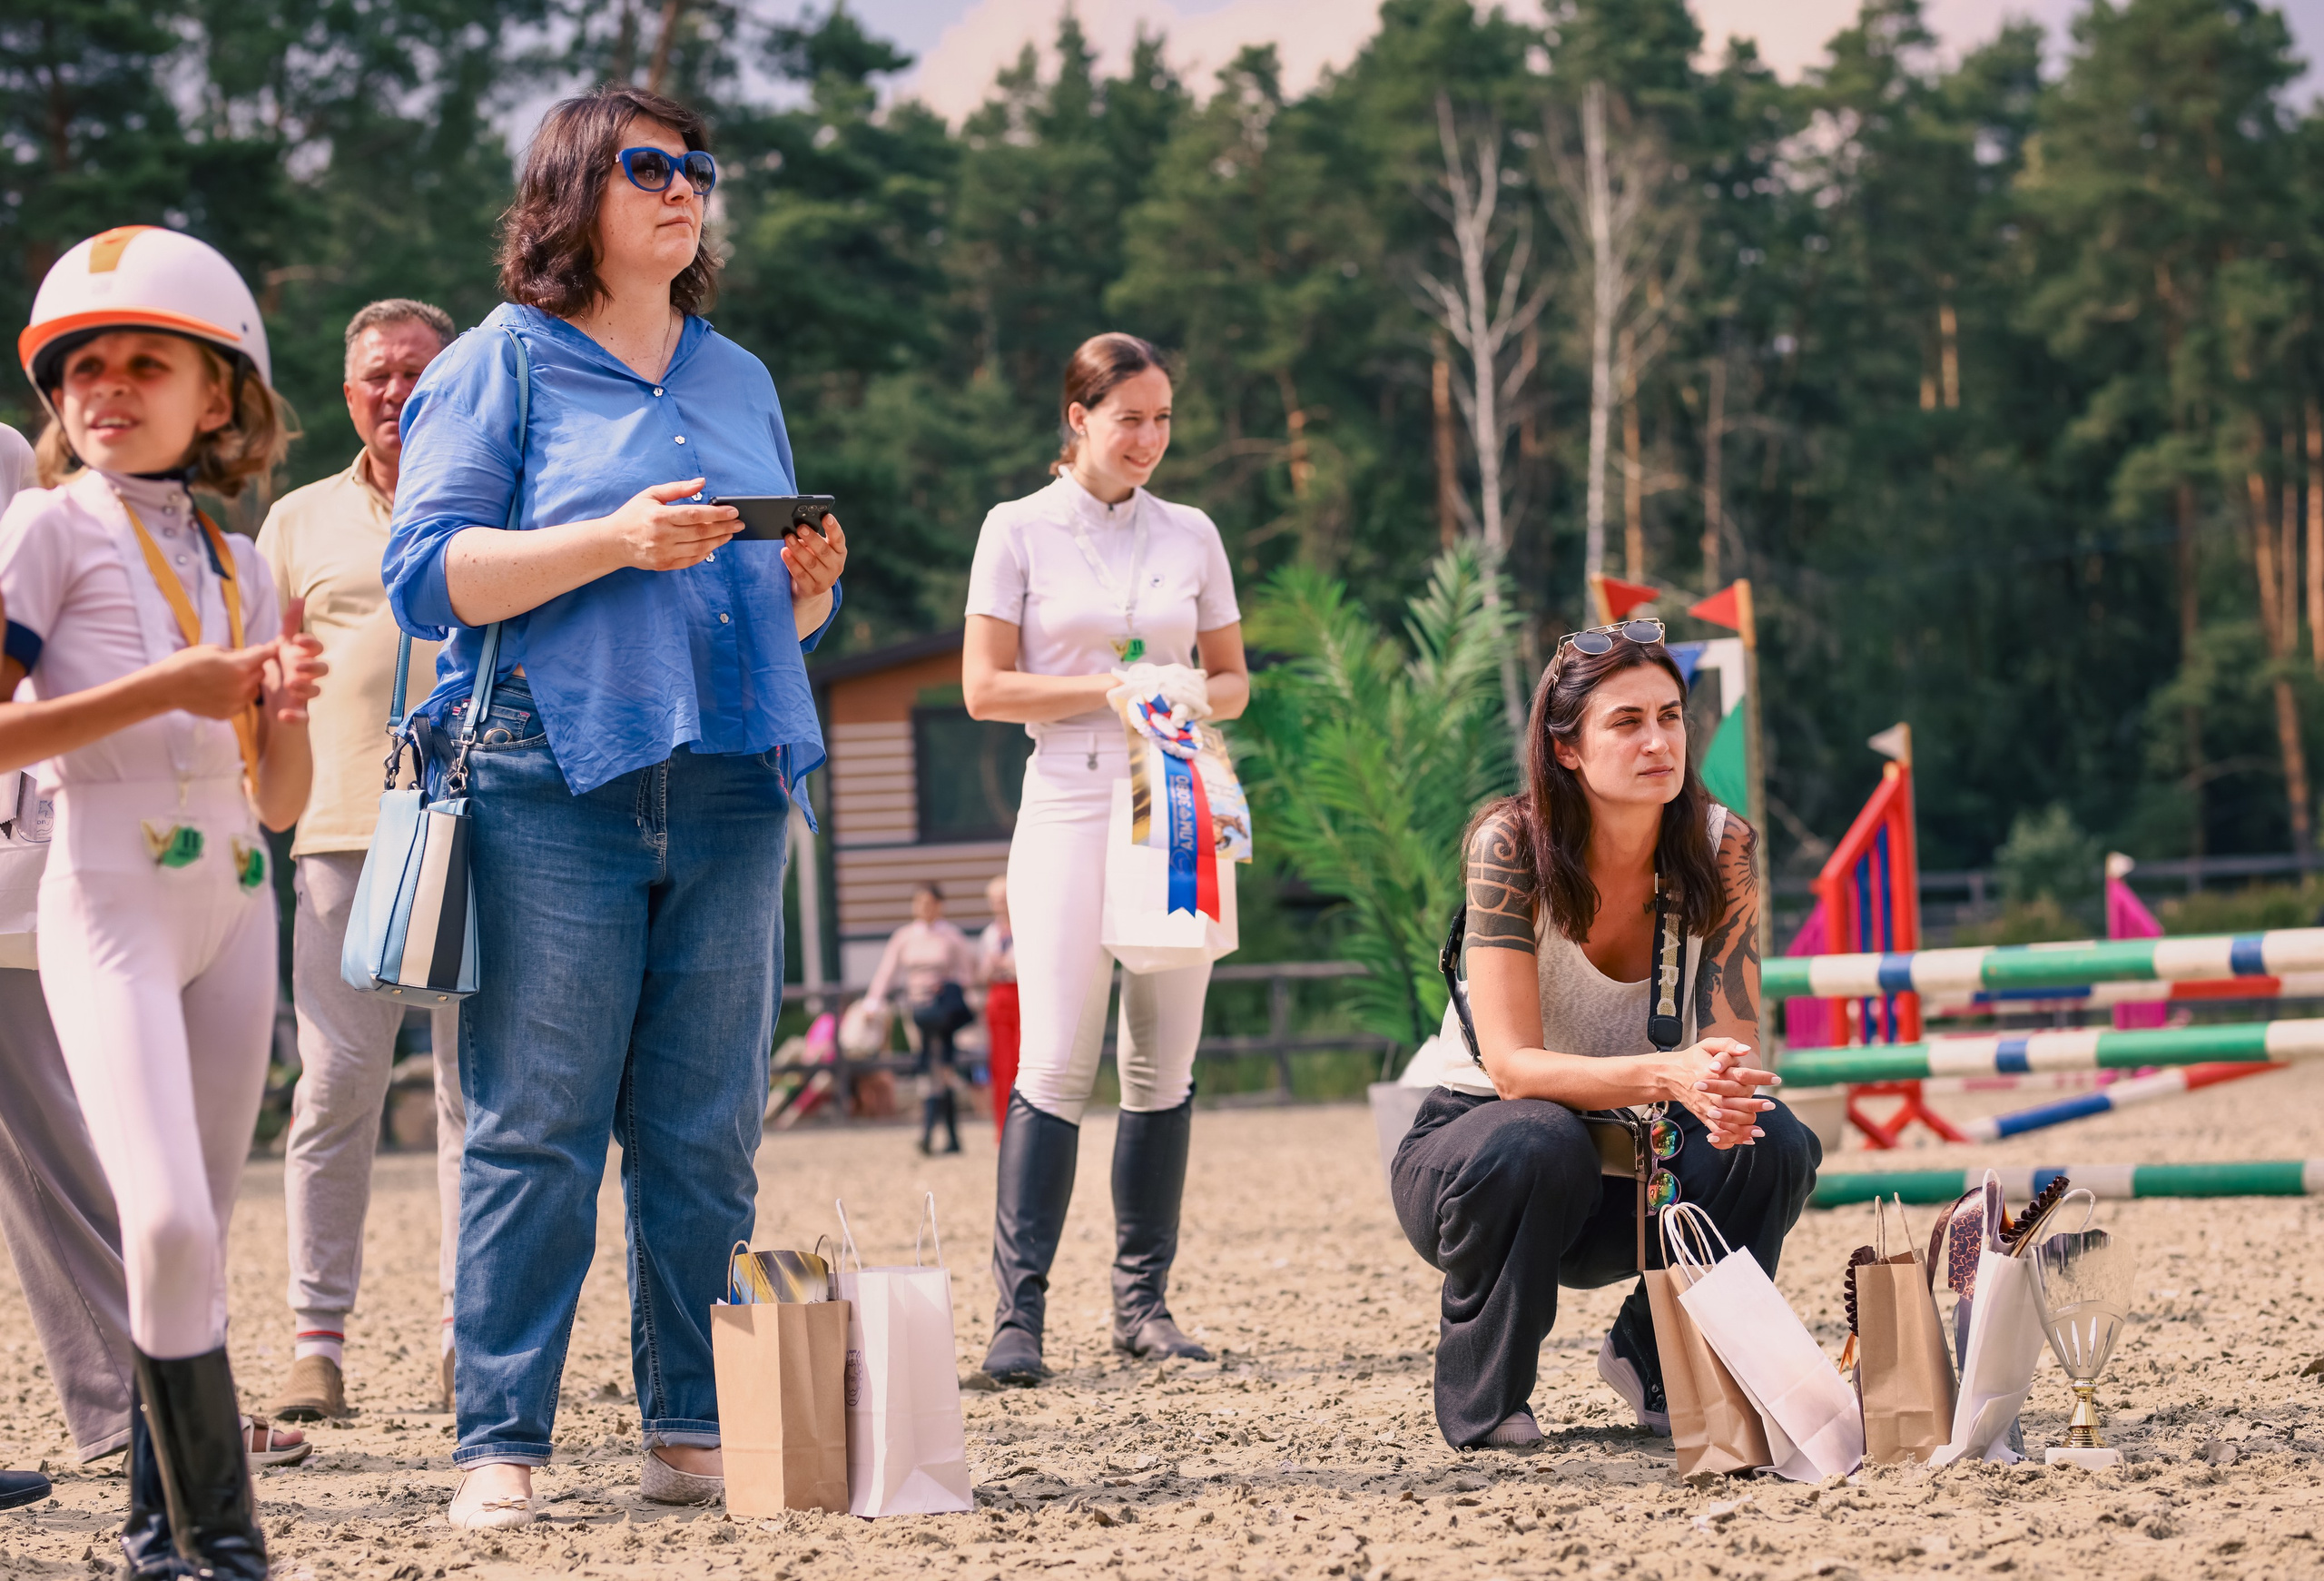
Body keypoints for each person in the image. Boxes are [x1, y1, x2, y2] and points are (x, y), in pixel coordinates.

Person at [381, 84, 844, 1528]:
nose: (684, 186)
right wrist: (614, 540)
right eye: (649, 166)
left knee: (708, 1127)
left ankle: (694, 1423)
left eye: (698, 166)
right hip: (550, 775)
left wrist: (809, 594)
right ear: (571, 190)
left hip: (732, 771)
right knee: (539, 1123)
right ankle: (500, 1437)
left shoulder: (740, 374)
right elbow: (428, 578)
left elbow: (759, 600)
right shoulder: (496, 363)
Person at [2, 225, 329, 1577]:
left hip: (236, 901)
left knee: (198, 1236)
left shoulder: (244, 561)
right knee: (168, 1221)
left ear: (220, 398)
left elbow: (283, 802)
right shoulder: (45, 527)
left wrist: (281, 709)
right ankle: (224, 1543)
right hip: (108, 896)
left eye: (147, 363)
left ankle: (161, 1530)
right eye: (85, 366)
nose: (108, 388)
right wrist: (172, 689)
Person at [1389, 623, 1819, 1450]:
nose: (1658, 741)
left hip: (1638, 1170)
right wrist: (1670, 1075)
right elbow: (1513, 1070)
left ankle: (1661, 1359)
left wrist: (1721, 1094)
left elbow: (1725, 1059)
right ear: (1568, 749)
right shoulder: (1509, 845)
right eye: (1627, 722)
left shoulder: (1723, 847)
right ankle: (1487, 1402)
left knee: (1772, 1141)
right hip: (1485, 1160)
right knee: (1539, 1135)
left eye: (1670, 716)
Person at [961, 331, 1247, 1383]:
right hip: (1069, 795)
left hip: (1172, 797)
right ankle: (1018, 1317)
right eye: (1130, 418)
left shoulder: (1192, 531)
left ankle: (1143, 1304)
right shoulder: (1016, 528)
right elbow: (984, 688)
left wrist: (1178, 695)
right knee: (1055, 1056)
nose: (1149, 438)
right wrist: (1115, 689)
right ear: (1078, 417)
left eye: (1163, 418)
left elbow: (1232, 679)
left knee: (1162, 1059)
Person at [257, 298, 467, 1424]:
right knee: (336, 1087)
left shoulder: (497, 494)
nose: (396, 392)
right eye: (378, 375)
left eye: (417, 371)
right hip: (342, 827)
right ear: (350, 396)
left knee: (474, 1096)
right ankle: (315, 1342)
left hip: (484, 823)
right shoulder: (295, 520)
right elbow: (260, 670)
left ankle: (469, 1338)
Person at [862, 881, 978, 1154]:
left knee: (941, 1065)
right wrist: (874, 1000)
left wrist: (950, 987)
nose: (923, 908)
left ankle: (934, 1133)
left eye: (928, 903)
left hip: (943, 1011)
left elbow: (966, 974)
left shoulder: (951, 936)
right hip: (917, 1011)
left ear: (939, 905)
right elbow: (887, 972)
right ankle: (941, 1134)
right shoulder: (904, 937)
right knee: (931, 1065)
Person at [979, 872, 1018, 1138]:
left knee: (1020, 1060)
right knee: (1000, 1064)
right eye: (994, 899)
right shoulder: (989, 934)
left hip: (1020, 995)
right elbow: (981, 975)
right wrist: (991, 966)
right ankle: (1002, 1127)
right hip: (998, 996)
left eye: (1002, 897)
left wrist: (1008, 965)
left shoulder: (1025, 928)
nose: (998, 903)